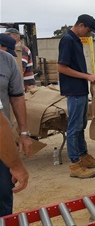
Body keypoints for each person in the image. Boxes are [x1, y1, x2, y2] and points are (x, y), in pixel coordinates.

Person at [57, 14, 95, 179]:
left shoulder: (76, 40)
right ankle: (75, 164)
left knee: (81, 124)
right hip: (74, 91)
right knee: (74, 127)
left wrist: (89, 75)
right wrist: (86, 77)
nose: (89, 34)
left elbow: (74, 66)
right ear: (81, 25)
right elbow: (62, 67)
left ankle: (84, 156)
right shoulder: (68, 40)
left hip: (80, 90)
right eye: (89, 30)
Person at [0, 47, 32, 216]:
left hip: (3, 144)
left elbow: (17, 96)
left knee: (4, 194)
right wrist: (17, 166)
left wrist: (24, 133)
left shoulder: (6, 61)